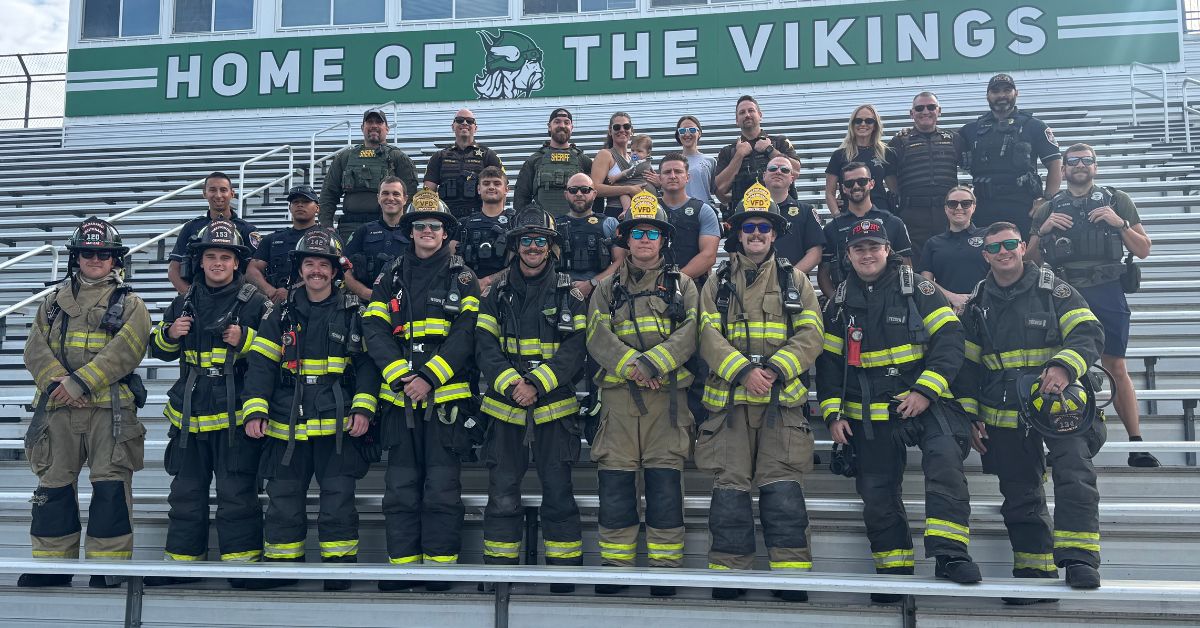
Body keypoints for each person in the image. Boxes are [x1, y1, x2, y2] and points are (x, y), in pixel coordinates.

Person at [816, 218, 982, 603]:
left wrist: (925, 390)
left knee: (943, 462)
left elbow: (950, 340)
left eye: (875, 247)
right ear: (849, 255)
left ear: (888, 251)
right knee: (876, 491)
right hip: (868, 413)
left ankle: (950, 556)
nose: (868, 254)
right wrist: (833, 413)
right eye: (860, 249)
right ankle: (894, 570)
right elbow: (828, 363)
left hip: (923, 401)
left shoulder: (919, 289)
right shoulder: (838, 303)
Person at [957, 222, 1107, 594]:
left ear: (1023, 247)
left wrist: (1063, 365)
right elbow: (967, 367)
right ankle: (1033, 571)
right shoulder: (977, 304)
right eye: (995, 247)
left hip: (1060, 405)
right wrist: (972, 415)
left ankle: (1079, 560)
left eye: (1010, 244)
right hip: (1004, 411)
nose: (1003, 251)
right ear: (985, 255)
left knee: (1074, 476)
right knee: (1020, 491)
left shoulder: (1054, 290)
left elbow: (1088, 334)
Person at [696, 183, 823, 601]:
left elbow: (812, 333)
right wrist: (741, 372)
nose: (755, 234)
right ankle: (730, 579)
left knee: (783, 491)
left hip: (779, 406)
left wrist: (771, 370)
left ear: (774, 233)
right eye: (748, 227)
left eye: (763, 227)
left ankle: (791, 579)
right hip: (731, 406)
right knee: (730, 494)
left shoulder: (796, 279)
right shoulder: (717, 282)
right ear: (738, 233)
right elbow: (706, 333)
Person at [240, 228, 379, 591]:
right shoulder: (280, 315)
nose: (316, 271)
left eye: (323, 265)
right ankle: (283, 567)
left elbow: (367, 367)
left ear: (335, 271)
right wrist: (255, 411)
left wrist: (363, 408)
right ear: (300, 269)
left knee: (338, 500)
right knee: (283, 499)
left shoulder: (354, 313)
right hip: (287, 422)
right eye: (309, 264)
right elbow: (261, 366)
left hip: (338, 425)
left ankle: (338, 571)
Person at [20, 217, 151, 588]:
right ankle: (50, 566)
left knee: (111, 488)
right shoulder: (51, 303)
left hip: (110, 411)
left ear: (115, 259)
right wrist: (58, 383)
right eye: (88, 253)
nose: (96, 259)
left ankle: (108, 568)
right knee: (53, 486)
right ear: (76, 257)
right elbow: (34, 349)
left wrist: (80, 383)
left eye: (104, 253)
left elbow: (126, 350)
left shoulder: (132, 304)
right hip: (57, 408)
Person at [363, 189, 480, 590]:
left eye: (434, 226)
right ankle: (404, 568)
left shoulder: (462, 278)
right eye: (420, 226)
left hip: (445, 405)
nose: (427, 231)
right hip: (400, 403)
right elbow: (374, 329)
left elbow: (467, 336)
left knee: (443, 490)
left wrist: (429, 377)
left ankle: (440, 570)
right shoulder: (390, 276)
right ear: (410, 232)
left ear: (446, 233)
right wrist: (401, 377)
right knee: (399, 489)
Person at [145, 220, 271, 587]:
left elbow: (275, 354)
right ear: (199, 262)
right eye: (211, 256)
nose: (217, 263)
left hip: (234, 416)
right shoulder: (182, 301)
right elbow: (159, 350)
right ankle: (183, 565)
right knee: (186, 493)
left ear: (236, 263)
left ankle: (242, 567)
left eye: (225, 257)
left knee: (237, 493)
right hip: (190, 415)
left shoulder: (256, 303)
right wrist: (170, 334)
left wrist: (246, 339)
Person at [586, 192, 699, 597]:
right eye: (637, 233)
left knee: (665, 482)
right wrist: (634, 366)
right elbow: (596, 334)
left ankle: (665, 569)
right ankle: (616, 568)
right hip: (618, 397)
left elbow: (692, 332)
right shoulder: (607, 287)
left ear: (662, 239)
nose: (645, 239)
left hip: (666, 401)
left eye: (652, 232)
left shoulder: (683, 284)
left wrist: (654, 364)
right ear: (627, 239)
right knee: (616, 480)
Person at [474, 207, 588, 591]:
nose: (534, 247)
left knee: (559, 495)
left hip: (555, 413)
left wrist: (537, 384)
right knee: (502, 496)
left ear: (551, 247)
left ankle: (564, 577)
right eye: (527, 240)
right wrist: (513, 386)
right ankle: (499, 579)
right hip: (505, 413)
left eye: (541, 240)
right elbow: (484, 347)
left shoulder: (569, 293)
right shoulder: (496, 294)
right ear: (515, 246)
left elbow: (575, 349)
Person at [1029, 144, 1157, 468]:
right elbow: (1027, 261)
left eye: (1087, 160)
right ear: (1064, 169)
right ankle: (1064, 438)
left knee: (1115, 367)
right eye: (1073, 161)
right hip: (1063, 292)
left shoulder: (1118, 200)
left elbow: (1143, 250)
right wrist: (1042, 231)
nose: (1080, 165)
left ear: (1096, 167)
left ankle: (1136, 444)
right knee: (1065, 366)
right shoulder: (1047, 208)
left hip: (1107, 289)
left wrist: (1120, 224)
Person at [656, 153, 721, 425]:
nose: (672, 176)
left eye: (677, 172)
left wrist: (675, 280)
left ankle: (698, 427)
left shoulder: (703, 209)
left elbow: (708, 256)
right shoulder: (647, 207)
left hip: (693, 292)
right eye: (667, 172)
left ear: (687, 176)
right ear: (658, 178)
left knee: (696, 361)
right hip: (651, 295)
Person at [959, 74, 1062, 236]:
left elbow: (1055, 164)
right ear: (988, 96)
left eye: (1007, 90)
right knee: (984, 257)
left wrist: (1046, 200)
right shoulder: (970, 130)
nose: (1001, 95)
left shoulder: (1034, 126)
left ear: (1016, 93)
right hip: (983, 207)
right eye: (995, 91)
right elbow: (943, 152)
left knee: (1025, 257)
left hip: (1024, 206)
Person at [319, 108, 419, 241]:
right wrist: (327, 226)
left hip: (386, 226)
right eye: (369, 122)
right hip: (349, 227)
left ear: (387, 128)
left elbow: (410, 196)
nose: (374, 126)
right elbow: (328, 193)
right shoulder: (344, 158)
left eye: (379, 122)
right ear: (362, 127)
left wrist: (400, 225)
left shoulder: (398, 158)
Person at [817, 162, 913, 297]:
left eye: (862, 181)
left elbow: (906, 267)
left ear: (871, 184)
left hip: (889, 298)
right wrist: (836, 302)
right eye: (850, 183)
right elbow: (824, 273)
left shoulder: (893, 222)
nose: (856, 186)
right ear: (843, 188)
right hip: (849, 302)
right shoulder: (832, 228)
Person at [886, 92, 961, 261]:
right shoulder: (898, 142)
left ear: (939, 110)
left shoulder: (954, 139)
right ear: (911, 113)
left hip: (947, 213)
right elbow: (888, 174)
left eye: (931, 107)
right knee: (916, 265)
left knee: (949, 261)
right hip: (913, 215)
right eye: (919, 108)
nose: (925, 111)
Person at [168, 171, 261, 294]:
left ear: (232, 193)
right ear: (204, 193)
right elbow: (174, 269)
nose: (218, 195)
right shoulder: (190, 227)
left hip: (237, 301)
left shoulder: (248, 230)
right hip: (198, 296)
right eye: (212, 190)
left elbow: (255, 270)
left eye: (223, 190)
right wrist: (189, 296)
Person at [714, 95, 801, 211]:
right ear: (736, 120)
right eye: (742, 112)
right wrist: (739, 156)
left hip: (781, 213)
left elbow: (795, 172)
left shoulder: (780, 142)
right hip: (743, 217)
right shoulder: (728, 152)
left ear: (760, 115)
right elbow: (720, 189)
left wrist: (770, 150)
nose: (747, 115)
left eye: (751, 110)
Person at [918, 186, 989, 314]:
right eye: (952, 204)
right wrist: (952, 297)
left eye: (966, 203)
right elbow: (925, 281)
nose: (959, 208)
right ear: (945, 209)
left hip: (987, 308)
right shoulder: (933, 243)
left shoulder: (988, 235)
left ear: (974, 207)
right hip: (948, 311)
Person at [423, 108, 504, 219]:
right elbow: (428, 192)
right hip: (446, 217)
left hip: (479, 217)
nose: (465, 123)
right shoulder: (438, 157)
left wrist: (498, 217)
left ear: (476, 128)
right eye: (460, 120)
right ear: (452, 126)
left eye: (469, 121)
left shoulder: (489, 156)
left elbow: (501, 189)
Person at [246, 184, 321, 304]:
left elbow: (334, 272)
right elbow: (252, 270)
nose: (300, 205)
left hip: (316, 303)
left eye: (306, 201)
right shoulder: (272, 239)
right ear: (290, 207)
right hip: (276, 303)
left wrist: (292, 292)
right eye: (295, 202)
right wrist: (270, 291)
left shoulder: (328, 239)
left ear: (317, 208)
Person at [514, 107, 593, 217]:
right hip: (543, 227)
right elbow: (521, 197)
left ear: (572, 128)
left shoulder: (584, 161)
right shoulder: (534, 160)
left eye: (566, 122)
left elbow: (595, 195)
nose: (562, 126)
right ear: (549, 126)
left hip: (577, 226)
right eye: (557, 122)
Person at [557, 173, 624, 300]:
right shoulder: (554, 224)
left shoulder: (609, 223)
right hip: (560, 293)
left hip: (600, 293)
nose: (579, 194)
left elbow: (620, 262)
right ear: (566, 194)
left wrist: (592, 283)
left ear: (594, 194)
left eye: (585, 190)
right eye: (573, 190)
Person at [342, 177, 410, 301]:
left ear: (405, 199)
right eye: (385, 193)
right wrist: (364, 293)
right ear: (378, 198)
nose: (390, 198)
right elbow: (344, 268)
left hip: (407, 303)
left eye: (396, 194)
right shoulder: (363, 231)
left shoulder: (414, 232)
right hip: (367, 304)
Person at [453, 166, 516, 297]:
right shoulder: (464, 224)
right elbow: (450, 259)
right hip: (467, 290)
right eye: (486, 183)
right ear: (478, 189)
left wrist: (487, 281)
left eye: (497, 183)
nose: (491, 187)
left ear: (506, 190)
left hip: (507, 290)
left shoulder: (516, 223)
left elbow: (523, 264)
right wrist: (470, 281)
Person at [825, 104, 892, 216]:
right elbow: (829, 193)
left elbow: (894, 189)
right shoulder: (839, 155)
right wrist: (837, 216)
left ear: (875, 125)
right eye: (858, 121)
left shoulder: (886, 153)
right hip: (850, 214)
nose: (863, 124)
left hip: (881, 214)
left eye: (869, 121)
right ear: (852, 124)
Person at [591, 113, 658, 218]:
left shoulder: (635, 157)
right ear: (610, 131)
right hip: (617, 212)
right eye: (617, 127)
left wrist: (658, 183)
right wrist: (629, 189)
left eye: (626, 126)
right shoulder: (605, 154)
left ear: (632, 130)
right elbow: (594, 188)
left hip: (643, 210)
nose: (622, 130)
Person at [763, 155, 823, 274]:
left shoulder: (806, 211)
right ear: (764, 176)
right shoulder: (748, 209)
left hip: (794, 287)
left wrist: (791, 277)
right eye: (773, 168)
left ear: (792, 178)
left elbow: (815, 253)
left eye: (784, 170)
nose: (778, 172)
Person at [607, 134, 658, 215]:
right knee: (622, 191)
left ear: (648, 153)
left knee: (621, 189)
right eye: (633, 150)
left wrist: (616, 177)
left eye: (639, 151)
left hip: (645, 191)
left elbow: (630, 173)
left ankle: (626, 209)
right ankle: (626, 210)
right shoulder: (636, 161)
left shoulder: (644, 164)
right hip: (637, 190)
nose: (635, 153)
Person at [674, 115, 717, 206]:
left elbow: (719, 190)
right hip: (679, 213)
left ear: (699, 133)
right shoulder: (672, 163)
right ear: (678, 135)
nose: (687, 134)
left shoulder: (710, 161)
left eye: (692, 130)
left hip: (705, 212)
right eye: (682, 131)